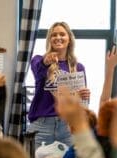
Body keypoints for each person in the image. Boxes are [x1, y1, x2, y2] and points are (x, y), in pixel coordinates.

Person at [27, 21, 90, 149]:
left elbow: (81, 105)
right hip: (41, 126)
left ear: (69, 40)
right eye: (54, 35)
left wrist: (83, 96)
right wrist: (46, 61)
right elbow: (39, 69)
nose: (58, 37)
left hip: (68, 127)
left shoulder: (78, 67)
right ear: (49, 39)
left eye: (62, 34)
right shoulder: (38, 60)